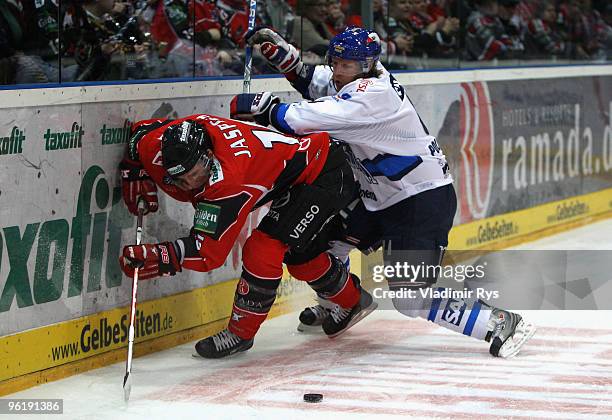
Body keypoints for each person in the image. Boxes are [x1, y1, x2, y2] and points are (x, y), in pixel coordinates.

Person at [230, 26, 536, 358]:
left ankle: (498, 322)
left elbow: (306, 118)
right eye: (336, 61)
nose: (337, 70)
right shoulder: (360, 78)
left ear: (365, 66)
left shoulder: (371, 95)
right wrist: (285, 58)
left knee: (410, 298)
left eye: (346, 65)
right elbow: (315, 80)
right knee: (314, 247)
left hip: (420, 200)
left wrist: (267, 108)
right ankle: (341, 305)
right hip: (378, 197)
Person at [118, 114, 376, 359]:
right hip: (297, 171)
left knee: (263, 251)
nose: (189, 183)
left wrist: (158, 255)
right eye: (179, 178)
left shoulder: (229, 180)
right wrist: (133, 170)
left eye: (195, 173)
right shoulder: (158, 146)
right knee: (300, 258)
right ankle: (352, 300)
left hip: (324, 173)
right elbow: (139, 133)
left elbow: (207, 253)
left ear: (209, 156)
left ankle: (240, 334)